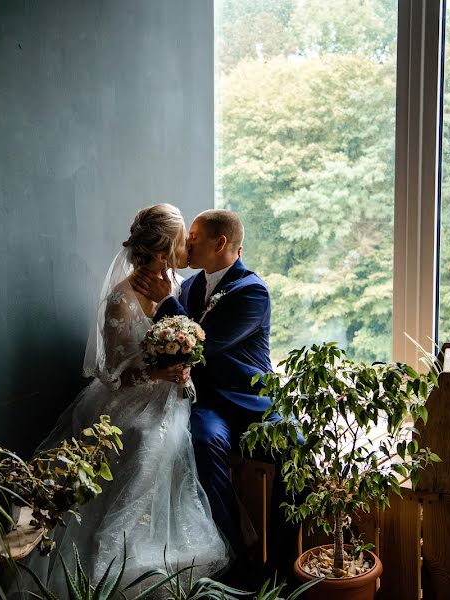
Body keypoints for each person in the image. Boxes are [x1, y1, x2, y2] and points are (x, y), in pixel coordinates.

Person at [10, 204, 231, 598]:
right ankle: (105, 568)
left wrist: (184, 368)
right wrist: (156, 373)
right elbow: (111, 374)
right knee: (144, 440)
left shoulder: (176, 287)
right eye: (182, 240)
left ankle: (155, 563)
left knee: (169, 441)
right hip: (126, 400)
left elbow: (196, 342)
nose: (187, 246)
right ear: (164, 249)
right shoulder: (120, 299)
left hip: (171, 399)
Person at [131, 209, 298, 585]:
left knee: (296, 449)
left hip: (253, 403)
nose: (185, 243)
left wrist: (163, 302)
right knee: (203, 443)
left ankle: (284, 569)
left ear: (220, 243)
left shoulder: (251, 290)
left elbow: (204, 343)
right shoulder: (189, 288)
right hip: (209, 404)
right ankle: (235, 554)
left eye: (193, 236)